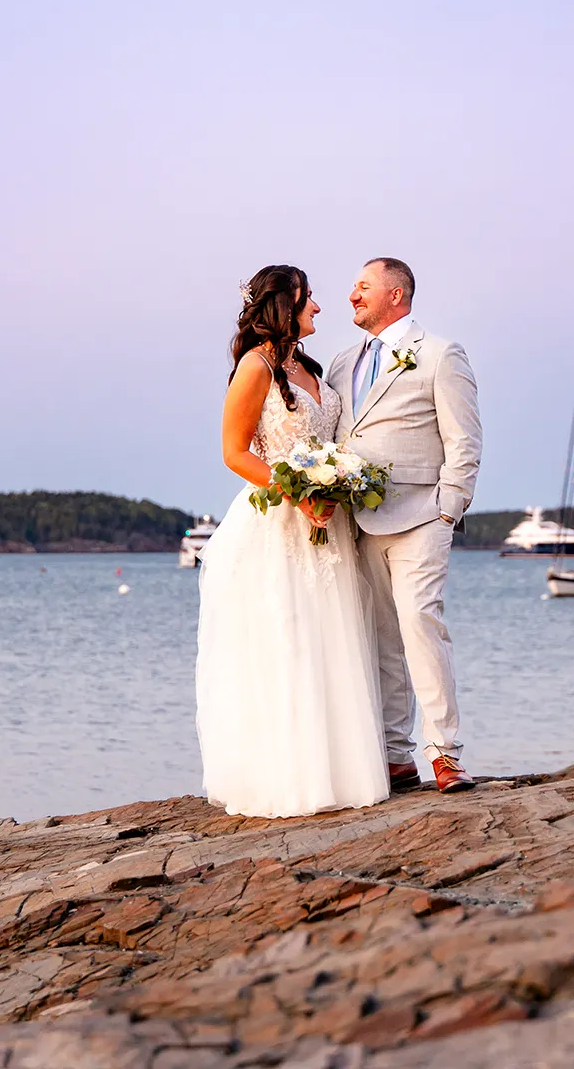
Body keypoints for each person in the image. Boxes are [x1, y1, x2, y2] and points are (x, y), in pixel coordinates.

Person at [194, 265, 389, 818]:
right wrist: (295, 490)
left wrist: (336, 481)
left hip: (327, 524)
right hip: (277, 524)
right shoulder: (254, 367)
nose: (319, 309)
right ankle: (288, 780)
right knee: (287, 641)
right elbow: (234, 452)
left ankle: (343, 773)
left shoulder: (309, 368)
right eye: (311, 299)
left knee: (333, 639)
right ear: (286, 304)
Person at [327, 258, 482, 793]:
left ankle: (444, 752)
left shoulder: (440, 354)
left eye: (362, 286)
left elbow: (464, 439)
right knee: (382, 638)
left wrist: (449, 508)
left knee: (420, 623)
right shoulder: (341, 363)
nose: (352, 295)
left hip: (422, 514)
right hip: (358, 520)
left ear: (396, 294)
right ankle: (395, 756)